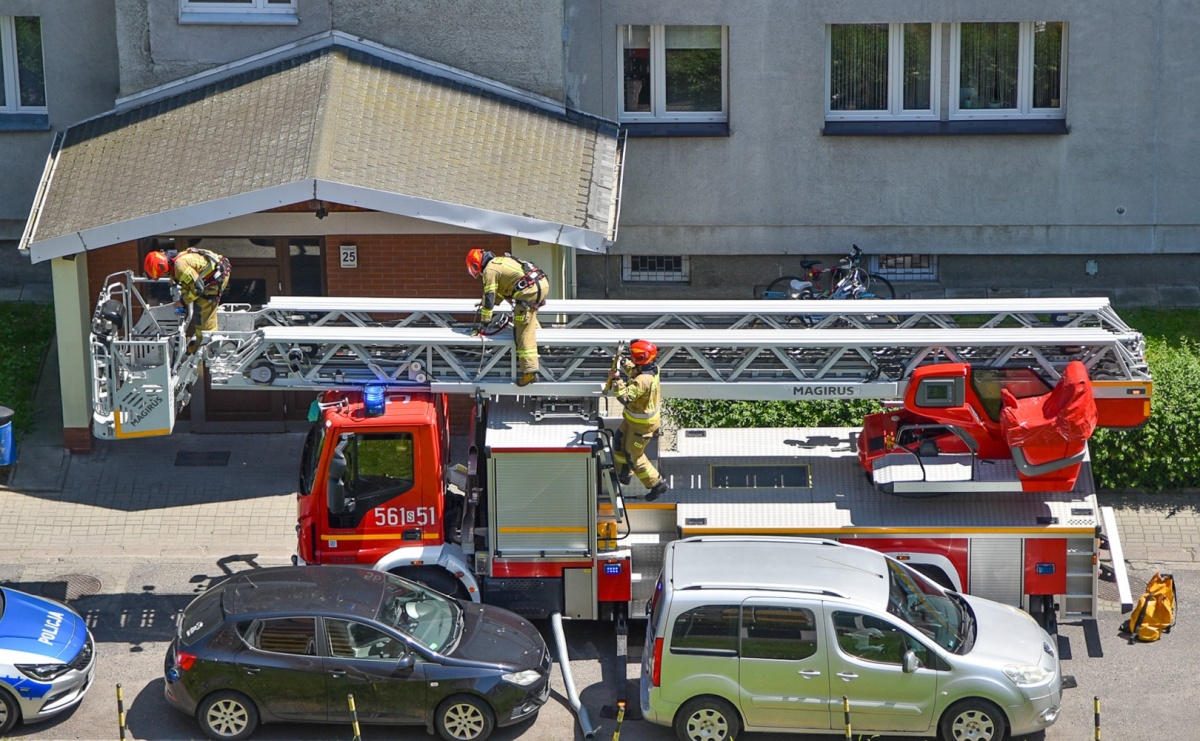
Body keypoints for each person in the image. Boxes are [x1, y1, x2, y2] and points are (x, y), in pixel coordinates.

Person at [466, 248, 549, 387]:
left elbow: (490, 296)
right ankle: (545, 348)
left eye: (474, 267)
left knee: (522, 332)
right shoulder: (499, 261)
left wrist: (484, 323)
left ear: (478, 262)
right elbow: (501, 290)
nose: (476, 271)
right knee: (529, 318)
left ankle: (530, 372)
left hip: (528, 290)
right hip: (541, 284)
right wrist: (488, 302)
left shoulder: (489, 271)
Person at [609, 339, 669, 501]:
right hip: (633, 420)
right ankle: (623, 473)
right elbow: (635, 372)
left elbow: (625, 397)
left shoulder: (644, 380)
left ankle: (656, 484)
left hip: (642, 426)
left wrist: (616, 380)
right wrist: (623, 362)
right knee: (619, 442)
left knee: (633, 456)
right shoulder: (651, 369)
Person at [143, 247, 231, 348]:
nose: (165, 276)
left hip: (216, 277)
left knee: (202, 317)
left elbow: (198, 289)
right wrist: (183, 304)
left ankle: (206, 350)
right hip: (212, 273)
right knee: (196, 303)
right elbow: (188, 284)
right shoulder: (175, 261)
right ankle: (201, 346)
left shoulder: (180, 266)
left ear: (163, 267)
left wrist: (182, 302)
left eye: (163, 274)